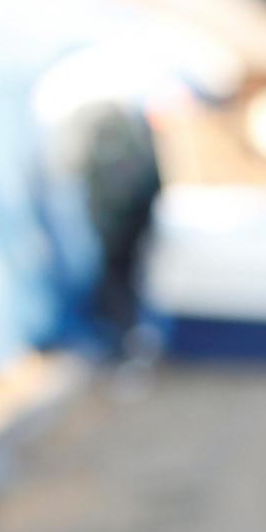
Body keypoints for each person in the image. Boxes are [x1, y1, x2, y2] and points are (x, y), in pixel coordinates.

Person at [78, 100, 163, 358]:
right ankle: (121, 338)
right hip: (120, 229)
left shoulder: (130, 140)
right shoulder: (126, 139)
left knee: (124, 281)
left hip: (125, 228)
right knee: (120, 282)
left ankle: (124, 339)